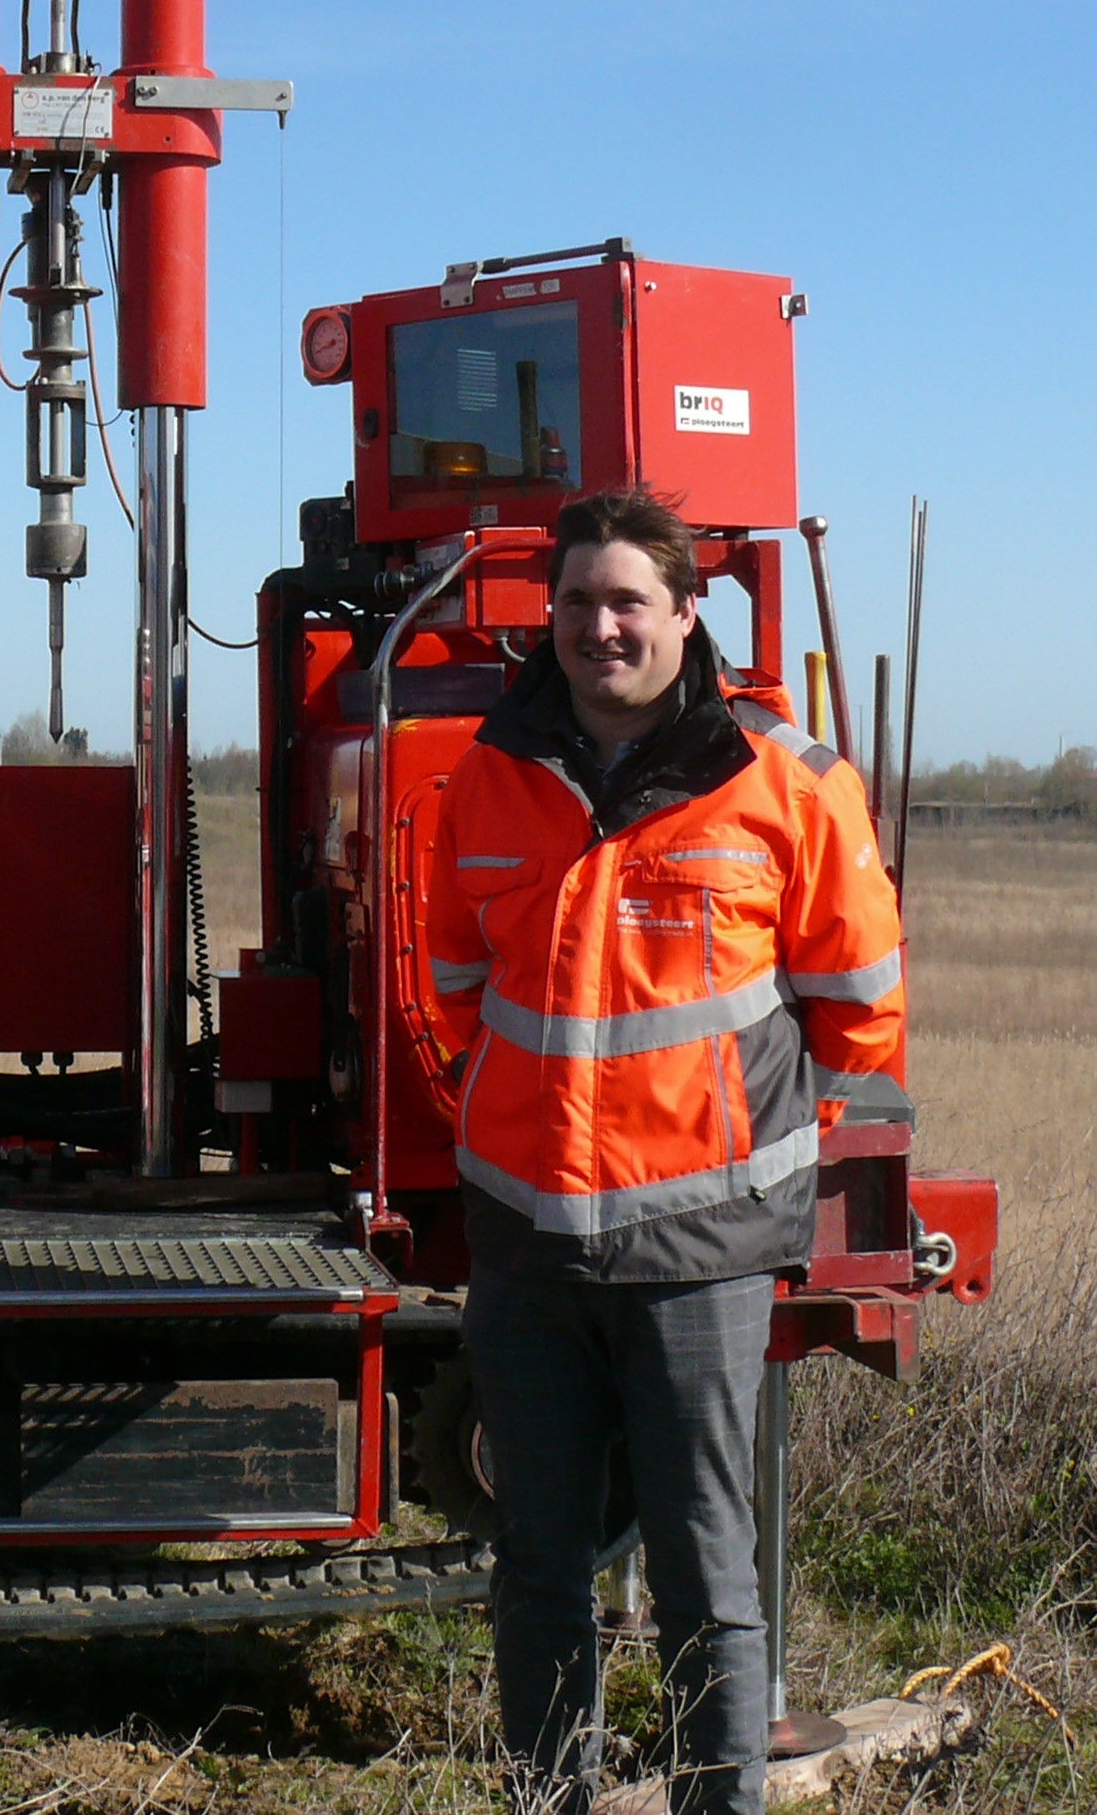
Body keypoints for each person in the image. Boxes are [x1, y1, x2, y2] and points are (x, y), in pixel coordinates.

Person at [426, 487, 907, 1815]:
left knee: (707, 1569)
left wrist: (752, 1149)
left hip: (700, 1259)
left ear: (688, 614)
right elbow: (455, 986)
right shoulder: (486, 774)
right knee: (539, 1570)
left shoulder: (784, 782)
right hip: (528, 1253)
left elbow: (860, 1007)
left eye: (628, 599)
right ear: (552, 617)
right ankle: (551, 1801)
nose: (599, 626)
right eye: (576, 601)